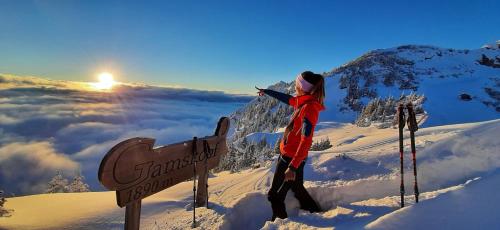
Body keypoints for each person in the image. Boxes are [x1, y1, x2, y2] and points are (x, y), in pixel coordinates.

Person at [256, 71, 325, 220]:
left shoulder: (309, 108)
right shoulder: (303, 101)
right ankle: (315, 212)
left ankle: (279, 224)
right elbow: (288, 99)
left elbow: (306, 140)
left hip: (290, 159)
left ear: (302, 87)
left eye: (296, 84)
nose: (294, 86)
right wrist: (267, 91)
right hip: (293, 156)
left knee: (274, 195)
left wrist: (292, 167)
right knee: (297, 188)